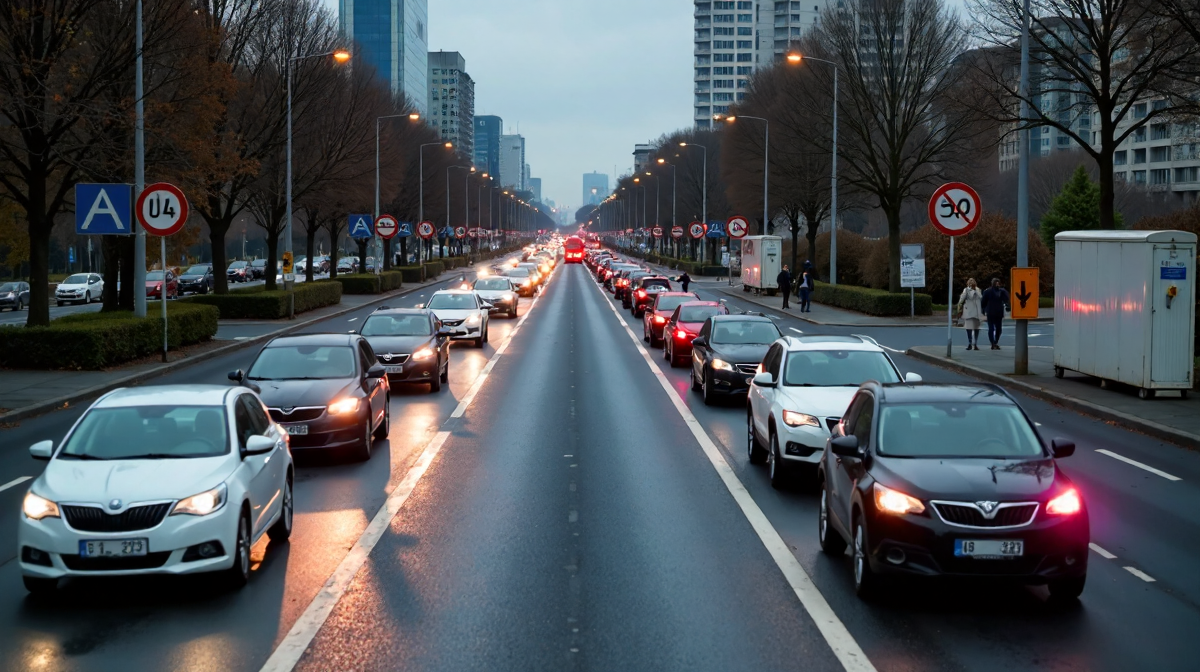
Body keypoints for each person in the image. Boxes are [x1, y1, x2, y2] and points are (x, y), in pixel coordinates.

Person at [981, 277, 1011, 350]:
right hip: (992, 312)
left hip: (996, 312)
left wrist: (983, 309)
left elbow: (1007, 299)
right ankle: (993, 343)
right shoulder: (989, 291)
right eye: (996, 283)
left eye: (998, 283)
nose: (997, 284)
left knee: (998, 329)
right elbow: (983, 302)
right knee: (992, 328)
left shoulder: (1001, 291)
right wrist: (983, 309)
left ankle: (994, 342)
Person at [957, 278, 984, 350]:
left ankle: (972, 343)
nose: (971, 284)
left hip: (973, 312)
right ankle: (972, 343)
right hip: (972, 312)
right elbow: (962, 299)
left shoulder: (975, 290)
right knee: (972, 328)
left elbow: (981, 297)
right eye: (970, 282)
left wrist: (959, 307)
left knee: (973, 328)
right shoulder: (968, 290)